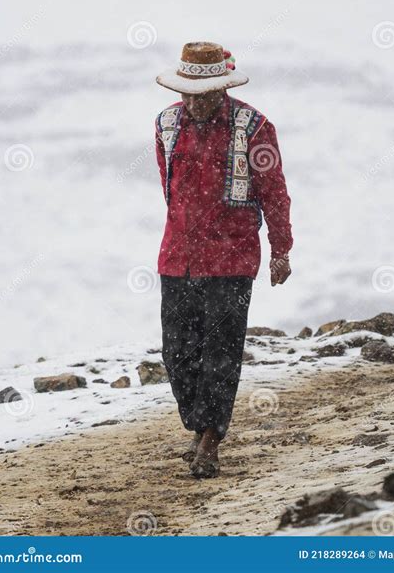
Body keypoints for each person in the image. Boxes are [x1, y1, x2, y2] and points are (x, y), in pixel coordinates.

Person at [154, 42, 293, 478]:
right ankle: (198, 426)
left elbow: (274, 192)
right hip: (177, 258)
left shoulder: (255, 128)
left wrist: (281, 249)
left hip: (232, 260)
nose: (193, 102)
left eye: (203, 93)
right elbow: (170, 190)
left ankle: (211, 438)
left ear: (223, 90)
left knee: (221, 352)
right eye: (187, 93)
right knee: (177, 352)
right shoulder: (165, 125)